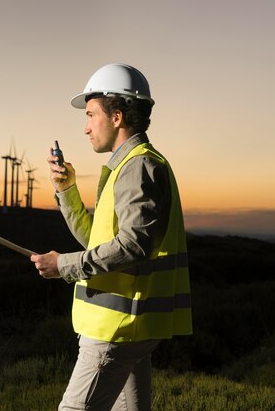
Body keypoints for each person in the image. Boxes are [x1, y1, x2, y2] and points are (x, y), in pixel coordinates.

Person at [30, 63, 192, 411]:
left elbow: (133, 245)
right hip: (130, 326)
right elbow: (97, 240)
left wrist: (64, 265)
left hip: (116, 328)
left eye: (90, 115)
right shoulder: (130, 165)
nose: (86, 128)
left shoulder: (137, 166)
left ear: (117, 116)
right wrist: (67, 189)